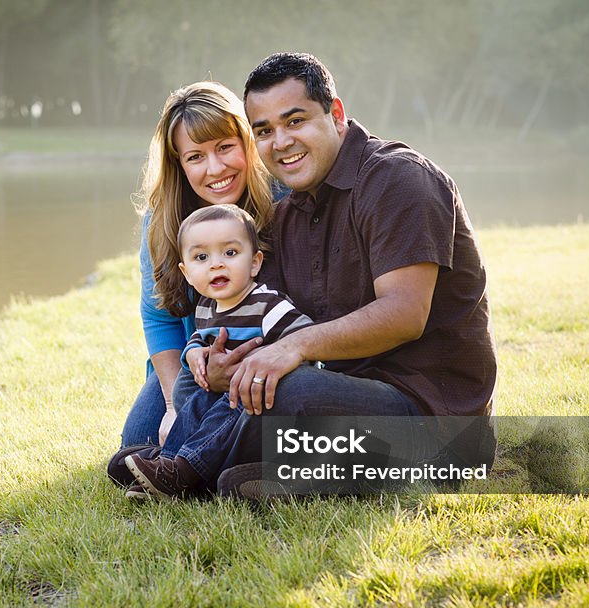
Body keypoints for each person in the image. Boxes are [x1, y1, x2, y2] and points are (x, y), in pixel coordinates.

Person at [195, 52, 498, 499]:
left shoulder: (398, 179)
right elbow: (257, 312)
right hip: (348, 398)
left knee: (293, 390)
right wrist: (218, 365)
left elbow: (404, 313)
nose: (280, 142)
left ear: (335, 114)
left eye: (294, 121)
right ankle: (285, 472)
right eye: (264, 131)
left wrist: (294, 347)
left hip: (434, 421)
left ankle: (193, 470)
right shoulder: (286, 217)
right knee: (241, 384)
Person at [110, 81, 282, 487]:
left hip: (265, 356)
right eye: (195, 157)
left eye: (225, 147)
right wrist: (174, 402)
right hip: (194, 362)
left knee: (230, 422)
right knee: (139, 437)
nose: (215, 169)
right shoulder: (163, 221)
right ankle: (186, 457)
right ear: (179, 164)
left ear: (247, 141)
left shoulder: (280, 200)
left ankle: (198, 464)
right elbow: (159, 318)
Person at [123, 204, 312, 498]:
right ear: (186, 272)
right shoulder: (208, 306)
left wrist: (277, 363)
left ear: (255, 263)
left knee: (228, 405)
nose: (216, 264)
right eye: (202, 257)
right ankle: (167, 466)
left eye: (231, 253)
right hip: (218, 390)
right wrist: (194, 353)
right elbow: (200, 336)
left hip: (257, 398)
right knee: (197, 402)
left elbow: (305, 340)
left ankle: (184, 471)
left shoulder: (267, 305)